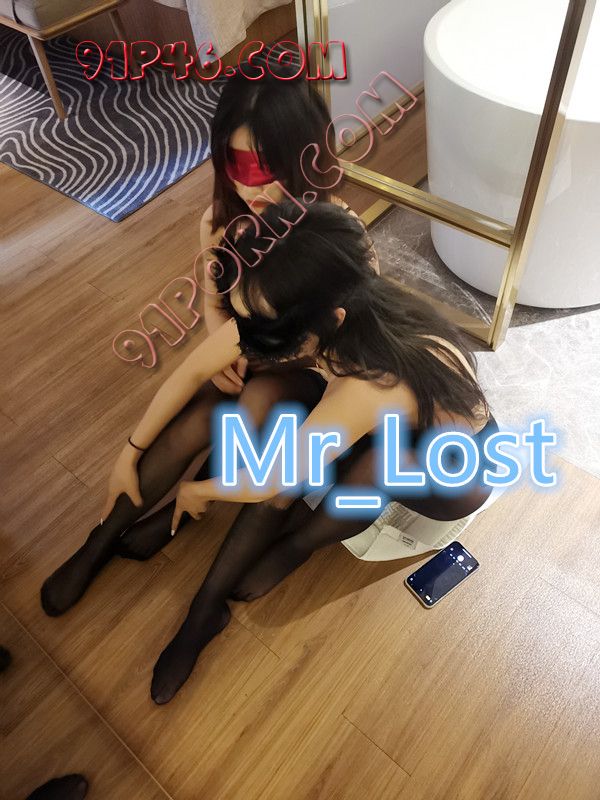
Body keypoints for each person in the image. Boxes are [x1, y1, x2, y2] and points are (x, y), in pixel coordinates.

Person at [55, 200, 495, 704]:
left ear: (328, 321)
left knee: (368, 470)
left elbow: (272, 477)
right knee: (262, 395)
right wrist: (128, 453)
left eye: (265, 324)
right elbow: (195, 369)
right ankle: (110, 540)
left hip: (450, 470)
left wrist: (200, 490)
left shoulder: (368, 386)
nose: (245, 337)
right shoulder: (339, 278)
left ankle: (260, 570)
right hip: (380, 406)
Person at [40, 64, 379, 616]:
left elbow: (352, 343)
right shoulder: (221, 225)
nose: (255, 187)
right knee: (204, 410)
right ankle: (102, 537)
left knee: (252, 401)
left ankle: (181, 514)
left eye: (271, 169)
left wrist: (258, 361)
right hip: (248, 352)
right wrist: (222, 354)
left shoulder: (339, 232)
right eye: (239, 166)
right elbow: (213, 306)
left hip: (312, 373)